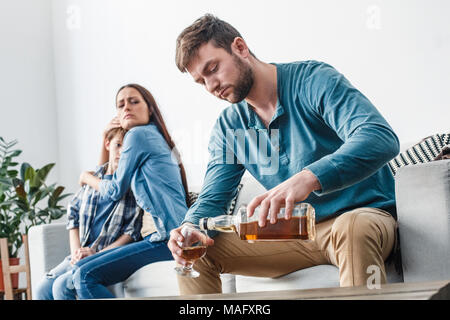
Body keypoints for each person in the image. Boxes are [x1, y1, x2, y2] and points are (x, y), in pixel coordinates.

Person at [168, 14, 400, 294]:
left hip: (361, 217)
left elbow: (379, 137)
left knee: (353, 228)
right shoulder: (230, 127)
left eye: (213, 68)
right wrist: (191, 227)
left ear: (240, 48)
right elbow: (213, 198)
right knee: (198, 252)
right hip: (296, 234)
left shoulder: (313, 80)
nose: (211, 86)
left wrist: (310, 177)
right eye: (201, 81)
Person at [76, 83, 188, 299]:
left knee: (84, 275)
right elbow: (110, 177)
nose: (126, 107)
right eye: (120, 105)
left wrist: (86, 177)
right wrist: (104, 138)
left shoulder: (138, 136)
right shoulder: (153, 135)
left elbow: (114, 190)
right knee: (80, 270)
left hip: (167, 238)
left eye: (134, 101)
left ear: (150, 109)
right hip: (163, 236)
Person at [34, 127, 143, 300]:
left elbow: (131, 233)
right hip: (80, 254)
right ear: (108, 144)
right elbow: (73, 214)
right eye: (118, 145)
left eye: (127, 148)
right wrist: (77, 252)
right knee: (41, 290)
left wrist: (96, 254)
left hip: (106, 255)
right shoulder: (93, 180)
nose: (122, 152)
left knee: (61, 288)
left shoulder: (133, 187)